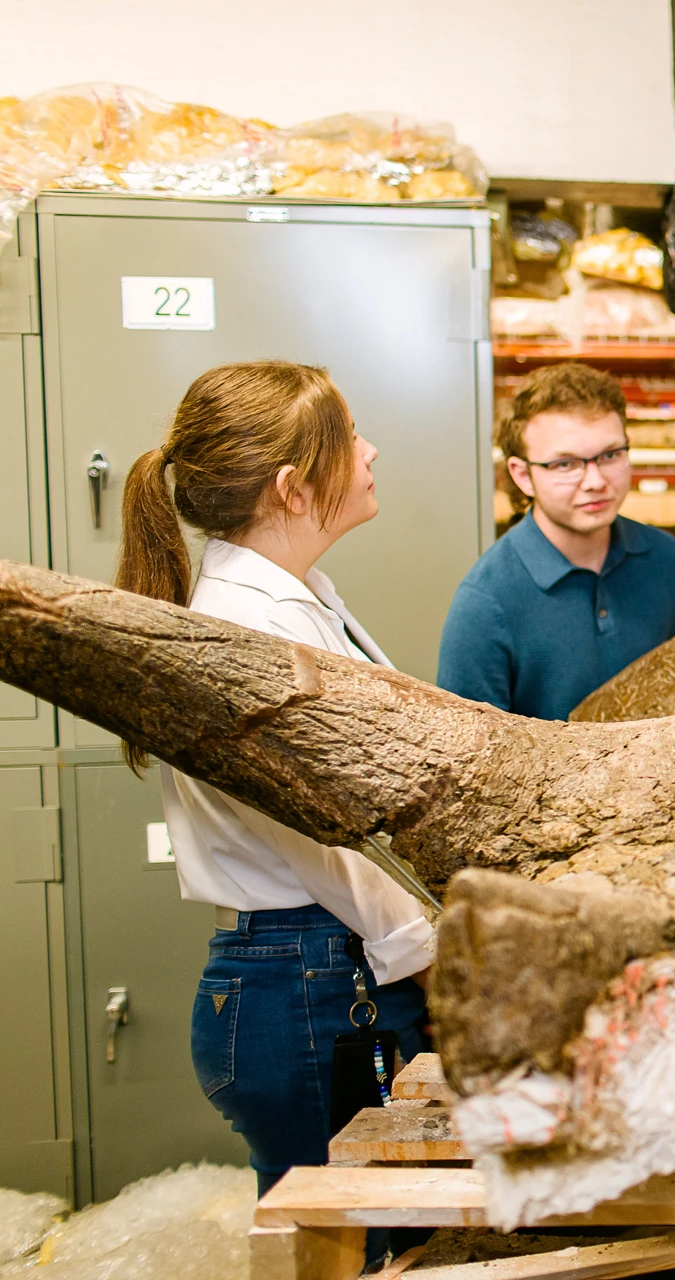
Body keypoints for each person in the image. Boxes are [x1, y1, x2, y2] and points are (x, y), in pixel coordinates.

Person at [115, 362, 433, 1205]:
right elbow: (331, 834)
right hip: (309, 983)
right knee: (358, 1244)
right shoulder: (251, 624)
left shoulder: (292, 601)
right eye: (351, 435)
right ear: (294, 488)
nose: (372, 450)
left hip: (308, 974)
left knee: (361, 1236)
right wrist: (437, 960)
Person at [438, 362, 675, 719]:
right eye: (566, 464)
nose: (595, 480)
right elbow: (467, 760)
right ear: (523, 476)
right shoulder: (486, 602)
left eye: (610, 455)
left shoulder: (664, 559)